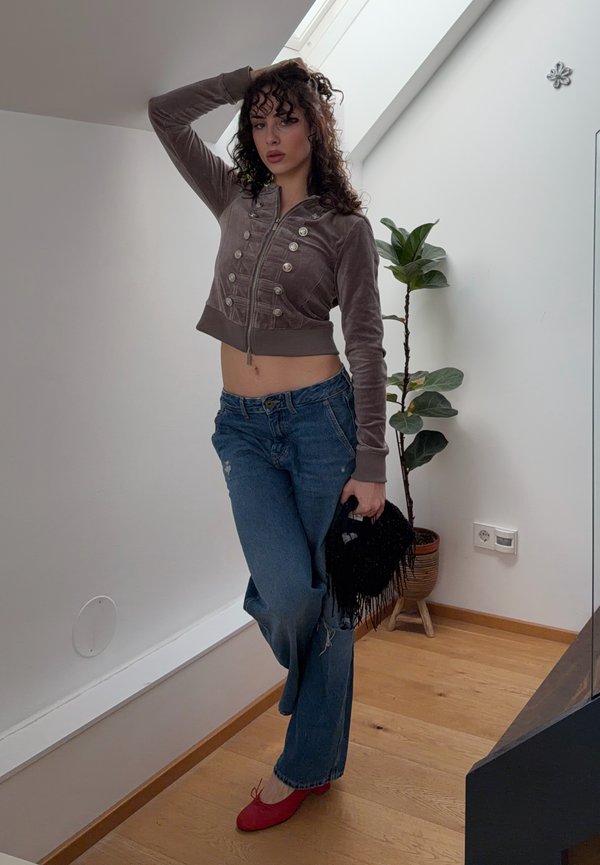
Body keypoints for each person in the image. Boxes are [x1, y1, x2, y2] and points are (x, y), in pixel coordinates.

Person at [147, 57, 389, 831]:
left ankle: (303, 765)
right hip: (243, 430)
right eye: (261, 119)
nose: (272, 134)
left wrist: (373, 465)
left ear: (316, 126)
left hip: (321, 426)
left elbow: (369, 345)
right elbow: (163, 115)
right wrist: (245, 78)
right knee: (293, 596)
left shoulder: (346, 229)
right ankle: (316, 703)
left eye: (288, 117)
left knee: (332, 602)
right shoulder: (233, 196)